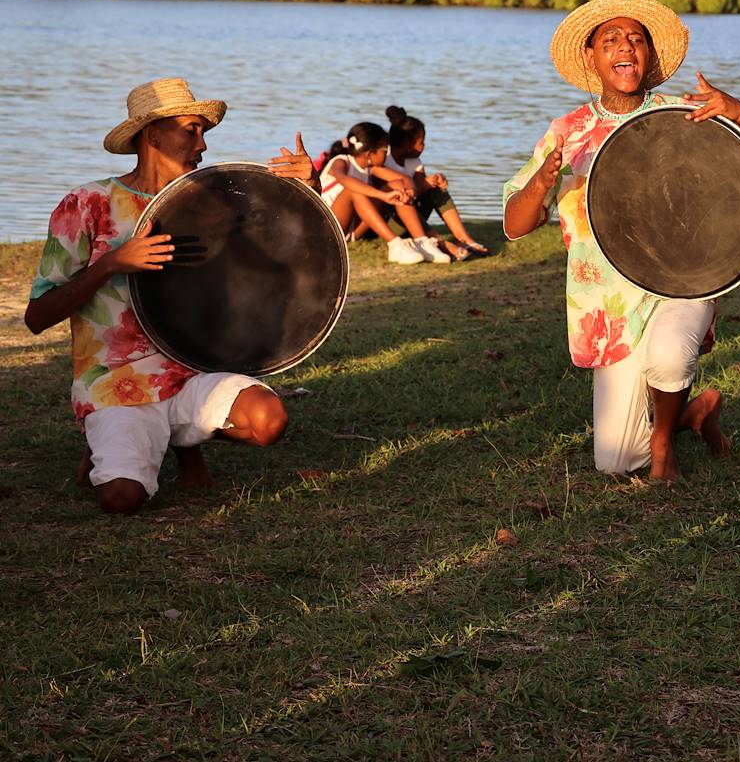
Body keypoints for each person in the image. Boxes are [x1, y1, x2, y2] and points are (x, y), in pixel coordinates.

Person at [503, 0, 740, 482]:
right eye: (611, 40)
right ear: (591, 58)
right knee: (614, 461)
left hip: (680, 283)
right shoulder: (568, 132)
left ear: (649, 55)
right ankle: (694, 416)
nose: (625, 47)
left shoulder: (683, 115)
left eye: (636, 38)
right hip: (606, 307)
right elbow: (514, 226)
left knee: (670, 358)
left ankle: (665, 440)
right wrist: (541, 183)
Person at [24, 78, 311, 514]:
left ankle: (179, 444)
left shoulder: (211, 202)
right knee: (122, 500)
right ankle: (111, 441)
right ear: (151, 134)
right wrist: (111, 264)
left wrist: (306, 191)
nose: (203, 145)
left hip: (191, 375)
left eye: (204, 133)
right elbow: (36, 317)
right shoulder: (88, 203)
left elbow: (285, 258)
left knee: (268, 422)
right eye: (191, 130)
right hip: (114, 383)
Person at [318, 122, 451, 264]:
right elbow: (345, 180)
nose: (387, 154)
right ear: (370, 153)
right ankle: (394, 244)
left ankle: (421, 241)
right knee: (353, 190)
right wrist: (382, 196)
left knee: (398, 186)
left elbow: (403, 179)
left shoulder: (370, 168)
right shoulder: (341, 162)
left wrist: (409, 190)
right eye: (385, 150)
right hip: (330, 228)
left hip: (355, 230)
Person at [382, 105, 491, 260]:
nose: (424, 146)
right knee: (404, 201)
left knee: (436, 191)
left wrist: (434, 181)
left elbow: (420, 188)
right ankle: (440, 243)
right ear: (407, 144)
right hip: (393, 221)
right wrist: (424, 184)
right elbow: (390, 199)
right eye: (421, 142)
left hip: (414, 218)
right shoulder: (385, 161)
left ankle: (464, 238)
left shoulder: (415, 162)